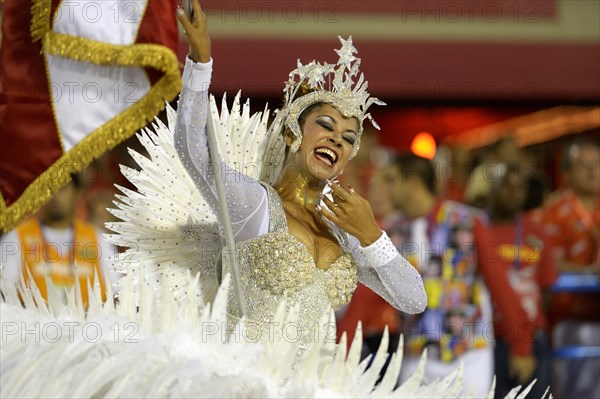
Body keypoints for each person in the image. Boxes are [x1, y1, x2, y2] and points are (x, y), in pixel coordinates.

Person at [171, 0, 426, 349]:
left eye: (349, 138)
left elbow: (414, 301)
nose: (337, 138)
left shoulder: (344, 232)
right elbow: (194, 150)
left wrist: (371, 235)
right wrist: (200, 63)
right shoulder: (255, 205)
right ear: (293, 135)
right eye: (325, 125)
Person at [384, 153, 493, 397]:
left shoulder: (469, 220)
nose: (385, 188)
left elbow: (499, 283)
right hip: (416, 354)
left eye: (390, 180)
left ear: (412, 182)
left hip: (469, 355)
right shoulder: (389, 232)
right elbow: (367, 296)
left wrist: (521, 347)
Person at [473, 163, 556, 399]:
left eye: (520, 188)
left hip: (532, 336)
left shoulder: (537, 233)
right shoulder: (474, 228)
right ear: (492, 189)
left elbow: (547, 288)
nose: (514, 194)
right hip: (489, 338)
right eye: (507, 187)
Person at [542, 138, 600, 399]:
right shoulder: (554, 211)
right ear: (566, 174)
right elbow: (544, 260)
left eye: (597, 164)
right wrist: (589, 270)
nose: (592, 171)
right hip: (572, 321)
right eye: (583, 166)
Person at [0, 175, 110, 306]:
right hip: (32, 326)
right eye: (48, 188)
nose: (54, 195)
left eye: (62, 188)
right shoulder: (17, 237)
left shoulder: (99, 240)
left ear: (77, 193)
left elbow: (119, 296)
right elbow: (4, 297)